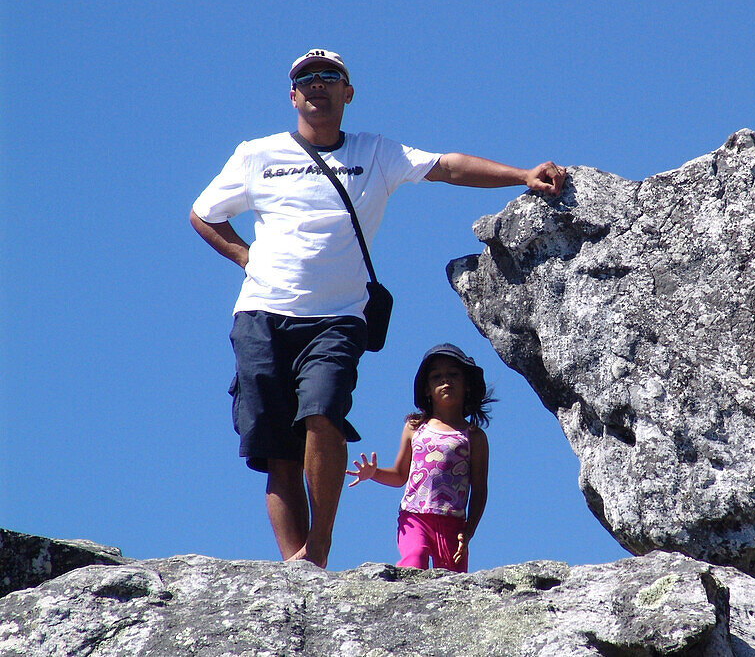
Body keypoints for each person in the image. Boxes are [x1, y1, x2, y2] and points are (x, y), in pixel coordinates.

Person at [189, 48, 564, 568]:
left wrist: (521, 174)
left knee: (323, 415)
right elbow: (204, 213)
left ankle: (316, 552)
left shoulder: (377, 153)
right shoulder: (257, 154)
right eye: (306, 78)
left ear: (348, 92)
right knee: (276, 450)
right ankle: (295, 569)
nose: (317, 84)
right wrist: (248, 259)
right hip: (261, 314)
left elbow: (448, 168)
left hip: (339, 317)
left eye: (330, 76)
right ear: (292, 95)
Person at [346, 343, 490, 572]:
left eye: (453, 375)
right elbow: (400, 475)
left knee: (452, 580)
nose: (446, 381)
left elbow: (480, 489)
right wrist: (374, 473)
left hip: (453, 522)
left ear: (467, 385)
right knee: (414, 559)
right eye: (436, 377)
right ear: (426, 389)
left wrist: (468, 531)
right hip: (414, 516)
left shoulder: (474, 437)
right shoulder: (415, 427)